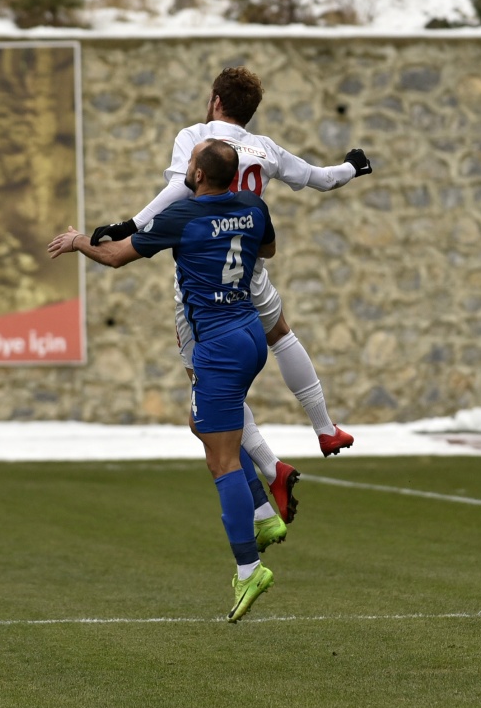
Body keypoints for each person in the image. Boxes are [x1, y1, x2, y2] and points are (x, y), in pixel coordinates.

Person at [91, 66, 373, 524]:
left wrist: (130, 224)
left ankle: (270, 469)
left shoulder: (196, 137)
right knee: (281, 335)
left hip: (203, 279)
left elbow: (176, 189)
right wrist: (352, 166)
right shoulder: (265, 148)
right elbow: (322, 178)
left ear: (216, 100)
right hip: (249, 267)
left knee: (208, 385)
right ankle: (324, 428)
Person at [50, 139, 280, 622]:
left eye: (190, 163)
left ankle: (249, 568)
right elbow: (268, 249)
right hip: (250, 334)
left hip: (218, 347)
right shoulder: (254, 205)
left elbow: (116, 256)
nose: (185, 168)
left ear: (198, 175)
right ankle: (261, 513)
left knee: (221, 460)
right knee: (204, 426)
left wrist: (78, 242)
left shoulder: (184, 217)